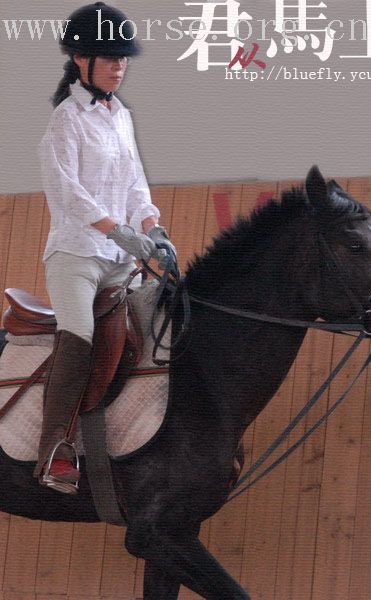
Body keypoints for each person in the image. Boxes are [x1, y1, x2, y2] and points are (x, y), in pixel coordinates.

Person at [35, 2, 174, 494]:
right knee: (80, 340)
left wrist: (152, 228)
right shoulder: (65, 122)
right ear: (80, 59)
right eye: (110, 56)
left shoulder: (121, 117)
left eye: (123, 57)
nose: (121, 64)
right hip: (77, 258)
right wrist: (119, 231)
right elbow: (70, 195)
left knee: (156, 332)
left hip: (122, 261)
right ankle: (54, 450)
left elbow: (136, 183)